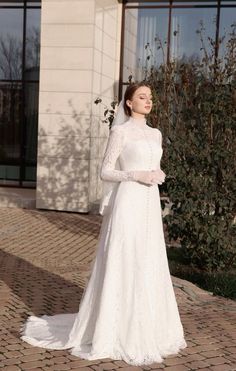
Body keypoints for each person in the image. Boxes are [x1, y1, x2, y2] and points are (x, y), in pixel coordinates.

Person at [21, 82, 187, 366]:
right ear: (128, 104)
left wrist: (157, 173)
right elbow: (105, 171)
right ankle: (116, 328)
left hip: (148, 204)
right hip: (128, 203)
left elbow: (152, 163)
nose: (148, 101)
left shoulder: (156, 134)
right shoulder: (119, 132)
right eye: (141, 97)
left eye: (150, 97)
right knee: (125, 259)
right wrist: (136, 174)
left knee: (149, 260)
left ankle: (151, 327)